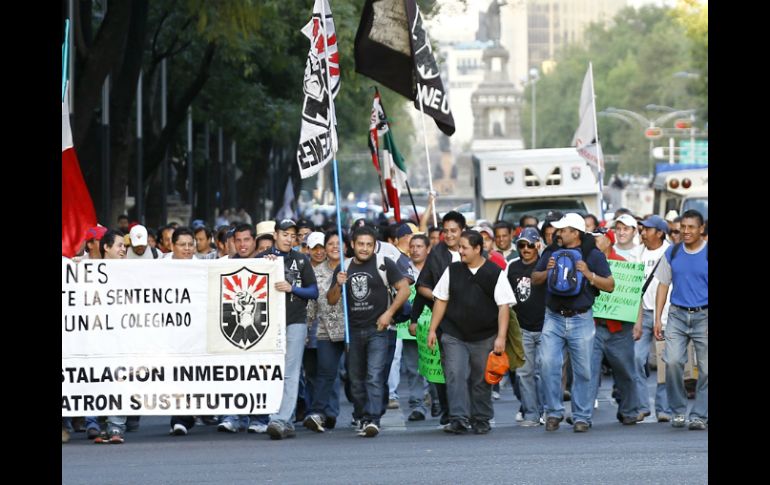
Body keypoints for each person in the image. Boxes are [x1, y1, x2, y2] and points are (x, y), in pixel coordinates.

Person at [532, 213, 614, 433]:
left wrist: (589, 274)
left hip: (581, 318)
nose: (559, 233)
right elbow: (534, 278)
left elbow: (610, 285)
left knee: (584, 370)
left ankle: (582, 417)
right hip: (554, 317)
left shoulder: (592, 254)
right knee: (548, 364)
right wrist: (547, 270)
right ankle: (554, 412)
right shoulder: (550, 251)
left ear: (575, 233)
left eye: (563, 230)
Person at [427, 230, 515, 434]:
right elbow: (441, 300)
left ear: (477, 249)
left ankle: (481, 418)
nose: (460, 251)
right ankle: (458, 418)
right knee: (454, 374)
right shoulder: (452, 270)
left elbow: (504, 307)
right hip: (454, 333)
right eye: (459, 247)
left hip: (485, 336)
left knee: (480, 378)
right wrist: (433, 329)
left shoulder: (495, 273)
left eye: (464, 247)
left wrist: (501, 337)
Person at [328, 226, 410, 437]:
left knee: (374, 375)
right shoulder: (344, 267)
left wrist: (389, 313)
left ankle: (373, 418)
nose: (364, 249)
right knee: (356, 378)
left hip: (378, 330)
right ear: (353, 245)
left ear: (374, 246)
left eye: (369, 245)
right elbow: (331, 299)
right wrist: (338, 284)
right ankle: (362, 415)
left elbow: (405, 289)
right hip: (353, 331)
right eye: (361, 244)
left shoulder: (384, 264)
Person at [259, 219, 319, 440]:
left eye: (292, 235)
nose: (288, 238)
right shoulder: (262, 259)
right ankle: (284, 418)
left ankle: (280, 419)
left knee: (291, 372)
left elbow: (314, 292)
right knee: (271, 372)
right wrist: (264, 266)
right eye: (284, 234)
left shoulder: (301, 260)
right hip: (266, 323)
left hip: (295, 320)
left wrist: (292, 288)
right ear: (275, 235)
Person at [654, 210, 707, 430]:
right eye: (683, 227)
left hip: (704, 315)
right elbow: (663, 285)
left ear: (701, 229)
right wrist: (657, 318)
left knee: (706, 368)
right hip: (677, 314)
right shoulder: (672, 252)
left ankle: (700, 415)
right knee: (673, 362)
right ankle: (677, 410)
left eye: (691, 227)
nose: (685, 231)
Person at [589, 232, 641, 426]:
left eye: (598, 238)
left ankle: (629, 410)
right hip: (594, 326)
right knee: (588, 371)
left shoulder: (623, 263)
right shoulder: (588, 263)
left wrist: (638, 322)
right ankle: (582, 414)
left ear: (609, 240)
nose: (594, 242)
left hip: (619, 328)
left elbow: (635, 296)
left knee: (625, 371)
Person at [304, 231, 346, 433]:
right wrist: (306, 327)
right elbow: (312, 304)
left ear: (347, 246)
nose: (334, 247)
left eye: (339, 243)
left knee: (356, 376)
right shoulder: (315, 271)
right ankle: (318, 413)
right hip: (324, 330)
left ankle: (365, 414)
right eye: (330, 243)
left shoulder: (354, 267)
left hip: (352, 329)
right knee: (325, 373)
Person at [632, 215, 673, 423]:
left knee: (665, 362)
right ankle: (641, 406)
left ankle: (663, 408)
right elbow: (635, 289)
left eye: (648, 229)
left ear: (659, 232)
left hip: (666, 315)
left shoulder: (671, 252)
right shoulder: (637, 253)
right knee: (637, 359)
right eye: (643, 229)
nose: (643, 232)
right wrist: (637, 319)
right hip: (643, 314)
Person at [506, 227, 547, 427]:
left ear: (538, 245)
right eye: (522, 245)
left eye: (530, 244)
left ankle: (547, 410)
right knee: (523, 372)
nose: (526, 248)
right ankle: (531, 413)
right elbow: (505, 298)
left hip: (546, 326)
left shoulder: (546, 263)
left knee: (544, 371)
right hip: (521, 328)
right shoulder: (512, 267)